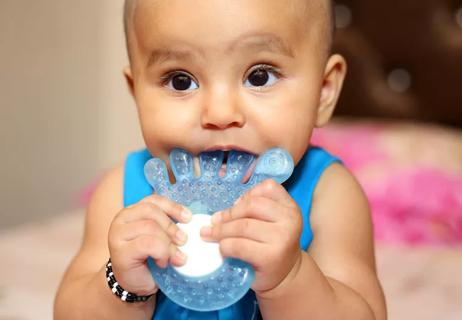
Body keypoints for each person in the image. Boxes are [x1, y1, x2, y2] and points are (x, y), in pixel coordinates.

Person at [55, 0, 386, 319]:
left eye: (259, 76)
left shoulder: (329, 194)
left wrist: (290, 279)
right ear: (136, 92)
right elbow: (68, 313)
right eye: (180, 80)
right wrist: (123, 285)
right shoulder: (121, 192)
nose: (219, 113)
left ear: (324, 91)